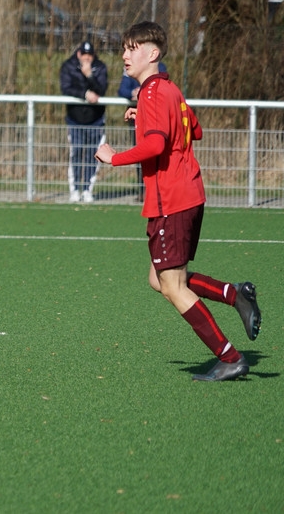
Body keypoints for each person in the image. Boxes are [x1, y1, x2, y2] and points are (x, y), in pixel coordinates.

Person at [95, 21, 261, 382]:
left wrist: (114, 157)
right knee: (160, 280)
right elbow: (194, 129)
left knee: (172, 285)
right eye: (124, 48)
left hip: (171, 200)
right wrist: (145, 116)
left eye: (132, 48)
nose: (124, 55)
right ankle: (235, 294)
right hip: (188, 194)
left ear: (153, 53)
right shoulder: (169, 89)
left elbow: (156, 145)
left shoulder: (151, 93)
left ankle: (230, 357)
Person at [60, 40, 108, 202]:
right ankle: (74, 190)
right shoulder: (68, 66)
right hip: (75, 118)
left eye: (90, 55)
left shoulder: (100, 67)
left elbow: (101, 89)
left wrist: (89, 76)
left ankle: (88, 189)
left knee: (92, 155)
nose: (87, 58)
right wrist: (84, 94)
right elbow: (66, 88)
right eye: (84, 54)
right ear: (79, 54)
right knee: (76, 152)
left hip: (96, 119)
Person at [118, 61, 166, 200]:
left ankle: (157, 190)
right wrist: (132, 93)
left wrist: (144, 92)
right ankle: (144, 189)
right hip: (136, 119)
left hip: (155, 117)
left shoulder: (159, 67)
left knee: (156, 153)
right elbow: (122, 90)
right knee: (140, 154)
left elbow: (161, 87)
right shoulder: (130, 67)